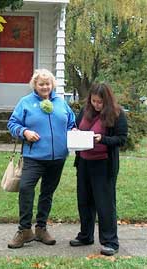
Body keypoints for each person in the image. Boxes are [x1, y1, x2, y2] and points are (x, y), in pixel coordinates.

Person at [7, 69, 75, 248]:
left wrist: (74, 131)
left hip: (58, 158)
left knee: (47, 193)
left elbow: (71, 123)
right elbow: (12, 123)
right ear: (35, 85)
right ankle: (24, 230)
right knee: (26, 188)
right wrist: (25, 132)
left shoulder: (61, 103)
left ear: (52, 85)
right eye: (41, 84)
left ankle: (41, 229)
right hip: (33, 157)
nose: (45, 87)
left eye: (48, 83)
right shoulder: (26, 102)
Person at [69, 82, 128, 256]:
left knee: (105, 204)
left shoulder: (117, 114)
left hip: (104, 165)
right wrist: (75, 131)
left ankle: (110, 241)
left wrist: (102, 139)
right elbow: (78, 127)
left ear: (107, 100)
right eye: (94, 101)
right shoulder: (85, 111)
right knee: (84, 201)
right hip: (84, 163)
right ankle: (85, 235)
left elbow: (121, 139)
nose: (96, 105)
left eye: (100, 102)